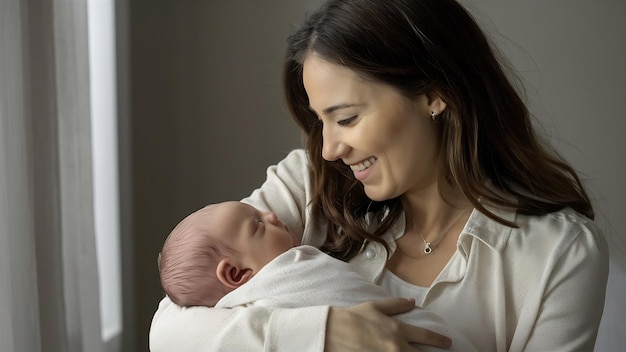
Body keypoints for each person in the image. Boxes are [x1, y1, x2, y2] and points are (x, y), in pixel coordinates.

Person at [149, 0, 609, 351]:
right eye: (320, 121)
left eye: (346, 118)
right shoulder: (311, 185)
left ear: (434, 94)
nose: (329, 148)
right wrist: (322, 334)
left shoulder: (560, 254)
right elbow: (169, 328)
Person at [157, 201, 476, 351]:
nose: (271, 214)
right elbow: (164, 330)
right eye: (257, 224)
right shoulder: (287, 272)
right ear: (238, 273)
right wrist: (318, 330)